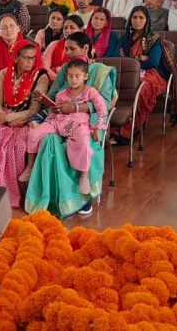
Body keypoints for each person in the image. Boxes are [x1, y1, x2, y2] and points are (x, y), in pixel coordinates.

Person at [25, 32, 117, 216]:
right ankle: (51, 196)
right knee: (47, 141)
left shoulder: (100, 71)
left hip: (87, 122)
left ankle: (82, 196)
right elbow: (53, 96)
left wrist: (75, 107)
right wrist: (43, 98)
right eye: (66, 49)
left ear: (86, 49)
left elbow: (105, 104)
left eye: (72, 48)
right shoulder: (66, 70)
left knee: (81, 143)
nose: (68, 53)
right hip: (60, 119)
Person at [0, 42, 49, 207]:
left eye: (33, 58)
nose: (30, 62)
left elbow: (33, 110)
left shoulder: (41, 77)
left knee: (19, 145)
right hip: (2, 116)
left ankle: (11, 192)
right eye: (26, 58)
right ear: (16, 58)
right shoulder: (4, 73)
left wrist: (9, 118)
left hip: (24, 120)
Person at [23, 58, 109, 195]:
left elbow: (102, 109)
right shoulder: (61, 94)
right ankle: (30, 167)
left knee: (84, 141)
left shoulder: (90, 92)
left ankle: (84, 176)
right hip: (58, 122)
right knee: (33, 134)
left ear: (85, 76)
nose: (73, 79)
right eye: (70, 76)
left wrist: (98, 128)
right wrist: (53, 109)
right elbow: (54, 112)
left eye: (77, 76)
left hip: (78, 125)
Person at [111, 6, 177, 145]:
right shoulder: (125, 38)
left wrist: (129, 59)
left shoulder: (153, 38)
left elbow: (152, 62)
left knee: (142, 89)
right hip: (128, 71)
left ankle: (130, 130)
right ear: (130, 19)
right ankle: (112, 126)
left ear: (147, 20)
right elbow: (115, 58)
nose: (137, 21)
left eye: (141, 18)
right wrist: (139, 58)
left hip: (152, 74)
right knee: (114, 85)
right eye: (134, 17)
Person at [43, 16, 84, 81]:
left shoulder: (84, 48)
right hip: (51, 80)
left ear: (81, 30)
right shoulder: (54, 44)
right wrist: (58, 80)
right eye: (65, 28)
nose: (67, 30)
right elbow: (44, 66)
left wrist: (55, 69)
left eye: (72, 28)